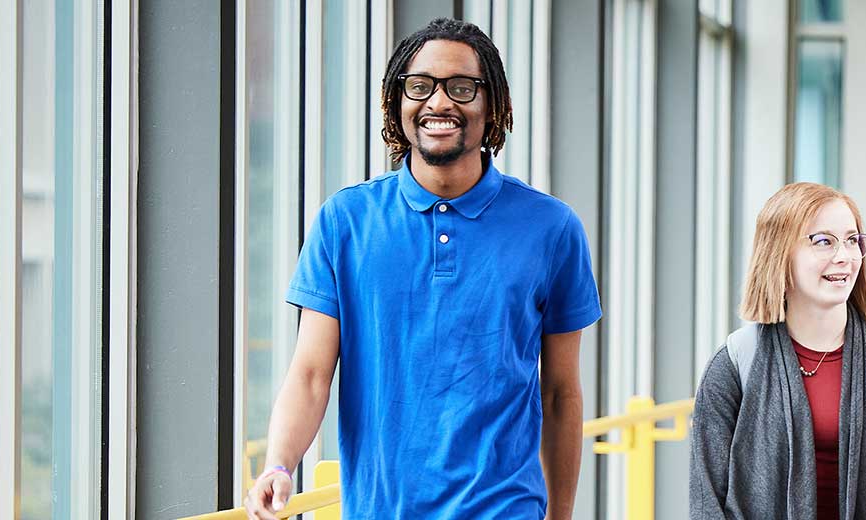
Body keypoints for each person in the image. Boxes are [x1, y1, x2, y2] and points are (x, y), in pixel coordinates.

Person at [244, 18, 602, 520]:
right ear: (397, 101)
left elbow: (561, 392)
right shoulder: (345, 222)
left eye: (461, 88)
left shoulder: (552, 228)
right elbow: (309, 374)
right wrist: (278, 466)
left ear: (492, 105)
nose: (439, 103)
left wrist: (560, 515)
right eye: (420, 86)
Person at [688, 183, 866, 520]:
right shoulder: (736, 363)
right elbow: (706, 497)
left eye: (852, 240)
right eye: (823, 241)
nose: (844, 256)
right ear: (779, 252)